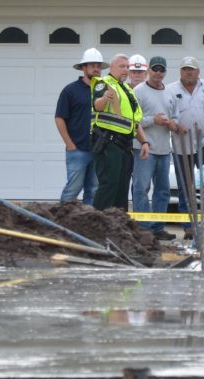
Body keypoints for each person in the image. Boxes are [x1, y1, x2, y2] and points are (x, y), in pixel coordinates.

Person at [166, 56, 204, 239]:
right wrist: (174, 125)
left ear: (199, 72)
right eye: (185, 69)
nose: (188, 72)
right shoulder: (170, 90)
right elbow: (166, 115)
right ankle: (189, 226)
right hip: (181, 145)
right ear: (180, 71)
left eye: (192, 69)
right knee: (184, 186)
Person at [91, 54, 150, 211]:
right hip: (108, 143)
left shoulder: (127, 90)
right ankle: (96, 225)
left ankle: (119, 227)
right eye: (121, 66)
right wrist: (104, 98)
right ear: (111, 68)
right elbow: (97, 105)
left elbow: (133, 121)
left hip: (125, 146)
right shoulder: (103, 83)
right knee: (108, 186)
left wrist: (144, 142)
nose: (125, 70)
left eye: (127, 67)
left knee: (121, 190)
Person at [132, 56, 178, 241]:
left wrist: (171, 124)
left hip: (164, 150)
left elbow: (174, 116)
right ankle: (143, 228)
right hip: (144, 149)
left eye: (162, 70)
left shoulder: (170, 93)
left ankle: (158, 228)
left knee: (163, 190)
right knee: (141, 188)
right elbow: (133, 120)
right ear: (148, 70)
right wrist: (154, 120)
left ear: (165, 72)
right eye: (155, 69)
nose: (158, 73)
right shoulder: (138, 92)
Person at [56, 47, 107, 204]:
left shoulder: (105, 90)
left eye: (98, 65)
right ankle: (60, 224)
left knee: (93, 190)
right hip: (77, 149)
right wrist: (70, 144)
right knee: (73, 189)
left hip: (98, 150)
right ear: (83, 68)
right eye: (92, 65)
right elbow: (59, 118)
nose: (96, 69)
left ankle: (88, 226)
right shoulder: (70, 91)